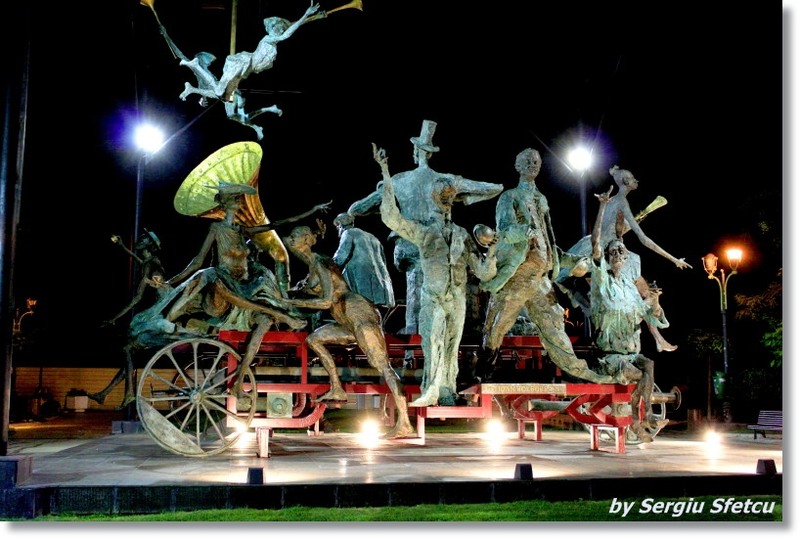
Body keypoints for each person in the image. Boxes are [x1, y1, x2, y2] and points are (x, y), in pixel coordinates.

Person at [347, 120, 503, 336]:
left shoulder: (400, 180)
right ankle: (436, 333)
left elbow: (357, 208)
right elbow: (492, 189)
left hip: (409, 245)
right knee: (442, 290)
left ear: (415, 151)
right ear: (430, 153)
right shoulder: (446, 181)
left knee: (418, 287)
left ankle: (417, 334)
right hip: (441, 246)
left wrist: (387, 197)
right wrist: (461, 197)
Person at [475, 148, 613, 385]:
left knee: (555, 328)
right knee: (496, 328)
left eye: (536, 161)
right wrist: (523, 231)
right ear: (518, 166)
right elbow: (504, 232)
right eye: (527, 161)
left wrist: (572, 261)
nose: (533, 164)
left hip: (540, 279)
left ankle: (579, 372)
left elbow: (549, 245)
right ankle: (481, 373)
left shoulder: (541, 199)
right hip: (517, 277)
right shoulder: (510, 197)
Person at [266, 224, 415, 439]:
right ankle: (336, 387)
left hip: (357, 313)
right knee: (314, 339)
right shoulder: (311, 264)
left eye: (295, 235)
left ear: (307, 240)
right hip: (344, 319)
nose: (290, 239)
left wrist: (291, 301)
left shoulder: (319, 262)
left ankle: (405, 423)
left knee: (383, 366)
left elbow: (326, 301)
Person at [377, 144, 498, 407]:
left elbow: (483, 272)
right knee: (433, 343)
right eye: (441, 195)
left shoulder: (462, 235)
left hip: (457, 298)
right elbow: (391, 217)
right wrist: (386, 174)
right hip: (433, 297)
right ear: (433, 198)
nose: (445, 200)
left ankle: (447, 391)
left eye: (449, 196)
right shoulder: (424, 231)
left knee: (452, 346)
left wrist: (492, 251)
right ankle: (430, 389)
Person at [556, 165, 691, 352]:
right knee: (576, 279)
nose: (636, 181)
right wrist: (673, 259)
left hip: (609, 248)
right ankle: (596, 314)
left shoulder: (614, 201)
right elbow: (643, 239)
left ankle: (657, 336)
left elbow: (615, 232)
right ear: (626, 182)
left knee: (640, 290)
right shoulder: (621, 201)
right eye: (634, 179)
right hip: (601, 251)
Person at [174, 3, 323, 139]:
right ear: (270, 29)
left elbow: (288, 30)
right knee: (219, 92)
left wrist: (311, 17)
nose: (278, 30)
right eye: (275, 27)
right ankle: (194, 69)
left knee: (230, 112)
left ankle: (192, 88)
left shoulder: (274, 44)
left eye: (280, 28)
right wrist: (305, 14)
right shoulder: (268, 39)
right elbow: (286, 34)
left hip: (240, 77)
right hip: (242, 63)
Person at [587, 188, 663, 442]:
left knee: (648, 364)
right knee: (639, 374)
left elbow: (648, 314)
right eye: (613, 252)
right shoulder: (602, 281)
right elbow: (595, 243)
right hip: (610, 356)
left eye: (621, 251)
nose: (618, 255)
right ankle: (637, 421)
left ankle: (647, 414)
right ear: (607, 258)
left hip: (630, 352)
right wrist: (602, 207)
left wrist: (654, 301)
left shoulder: (630, 290)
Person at [90, 230, 170, 408]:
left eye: (144, 239)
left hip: (160, 311)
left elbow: (137, 298)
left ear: (149, 245)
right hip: (161, 308)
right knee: (129, 354)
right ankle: (105, 393)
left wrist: (115, 317)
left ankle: (129, 394)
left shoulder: (151, 264)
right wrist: (123, 247)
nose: (140, 240)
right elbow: (139, 260)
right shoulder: (150, 262)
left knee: (128, 349)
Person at [332, 212, 395, 310]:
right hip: (380, 282)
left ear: (340, 224)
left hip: (361, 278)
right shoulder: (373, 237)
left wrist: (328, 265)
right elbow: (383, 261)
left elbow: (341, 256)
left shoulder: (348, 233)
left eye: (337, 226)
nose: (337, 229)